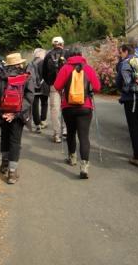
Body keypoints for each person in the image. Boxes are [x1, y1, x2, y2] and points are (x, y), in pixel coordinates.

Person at [54, 46, 101, 179]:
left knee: (71, 132)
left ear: (68, 56)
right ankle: (84, 166)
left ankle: (72, 157)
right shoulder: (88, 68)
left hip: (68, 107)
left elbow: (57, 86)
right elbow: (97, 87)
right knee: (84, 136)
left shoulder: (65, 68)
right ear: (81, 55)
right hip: (85, 107)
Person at [0, 53, 34, 184]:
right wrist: (15, 114)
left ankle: (4, 163)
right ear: (19, 64)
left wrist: (2, 113)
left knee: (4, 136)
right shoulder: (26, 77)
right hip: (18, 115)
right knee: (15, 141)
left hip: (3, 112)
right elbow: (29, 97)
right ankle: (12, 173)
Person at [116, 44, 138, 167]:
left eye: (120, 52)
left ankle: (137, 157)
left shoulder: (125, 63)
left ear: (125, 51)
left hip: (131, 98)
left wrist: (122, 90)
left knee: (133, 127)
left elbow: (119, 81)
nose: (120, 55)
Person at [42, 36, 68, 143]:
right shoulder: (67, 53)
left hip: (54, 85)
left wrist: (49, 83)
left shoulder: (48, 55)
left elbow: (43, 72)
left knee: (55, 109)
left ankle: (57, 134)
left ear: (53, 45)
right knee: (66, 107)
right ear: (62, 44)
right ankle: (66, 130)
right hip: (66, 85)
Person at [30, 48, 50, 133]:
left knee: (35, 105)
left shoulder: (30, 63)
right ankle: (43, 120)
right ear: (41, 54)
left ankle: (37, 124)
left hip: (34, 87)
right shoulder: (44, 62)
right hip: (44, 86)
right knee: (44, 103)